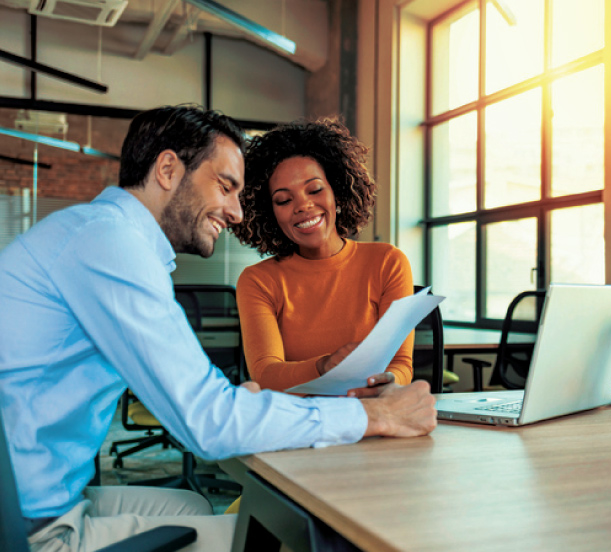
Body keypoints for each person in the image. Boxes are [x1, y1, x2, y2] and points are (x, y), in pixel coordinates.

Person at [0, 105, 437, 552]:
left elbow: (205, 403)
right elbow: (207, 423)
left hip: (38, 492)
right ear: (167, 169)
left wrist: (233, 405)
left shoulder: (95, 233)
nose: (235, 212)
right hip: (29, 525)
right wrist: (374, 415)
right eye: (226, 186)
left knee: (193, 510)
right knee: (288, 539)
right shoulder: (108, 245)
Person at [231, 118, 414, 397]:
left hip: (371, 412)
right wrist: (323, 366)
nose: (303, 205)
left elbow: (400, 365)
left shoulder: (388, 262)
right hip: (296, 420)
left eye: (314, 190)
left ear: (337, 193)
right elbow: (266, 374)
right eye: (283, 200)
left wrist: (388, 382)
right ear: (270, 214)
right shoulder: (258, 280)